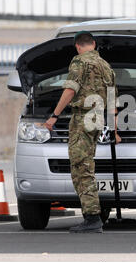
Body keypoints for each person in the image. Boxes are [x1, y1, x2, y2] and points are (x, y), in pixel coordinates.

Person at [44, 31, 120, 233]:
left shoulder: (79, 62)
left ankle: (92, 217)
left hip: (83, 118)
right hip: (98, 118)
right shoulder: (107, 66)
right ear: (93, 44)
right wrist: (114, 130)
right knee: (86, 165)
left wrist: (54, 115)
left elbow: (70, 90)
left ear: (77, 46)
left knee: (81, 168)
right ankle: (93, 214)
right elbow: (113, 102)